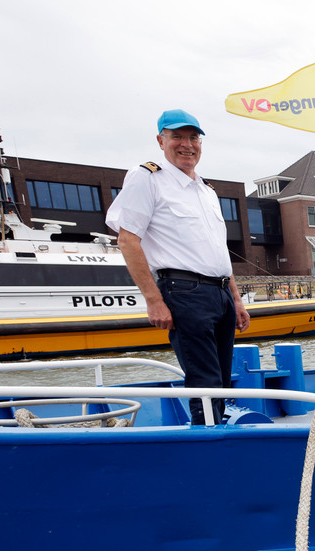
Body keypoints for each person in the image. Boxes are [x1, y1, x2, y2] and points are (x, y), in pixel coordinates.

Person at [106, 109, 250, 424]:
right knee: (205, 379)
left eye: (193, 137)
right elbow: (128, 241)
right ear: (161, 141)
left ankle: (217, 431)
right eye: (177, 137)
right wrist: (154, 300)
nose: (187, 144)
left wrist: (237, 300)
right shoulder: (147, 178)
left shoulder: (207, 191)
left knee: (222, 378)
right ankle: (207, 439)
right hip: (184, 290)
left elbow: (217, 251)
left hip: (221, 293)